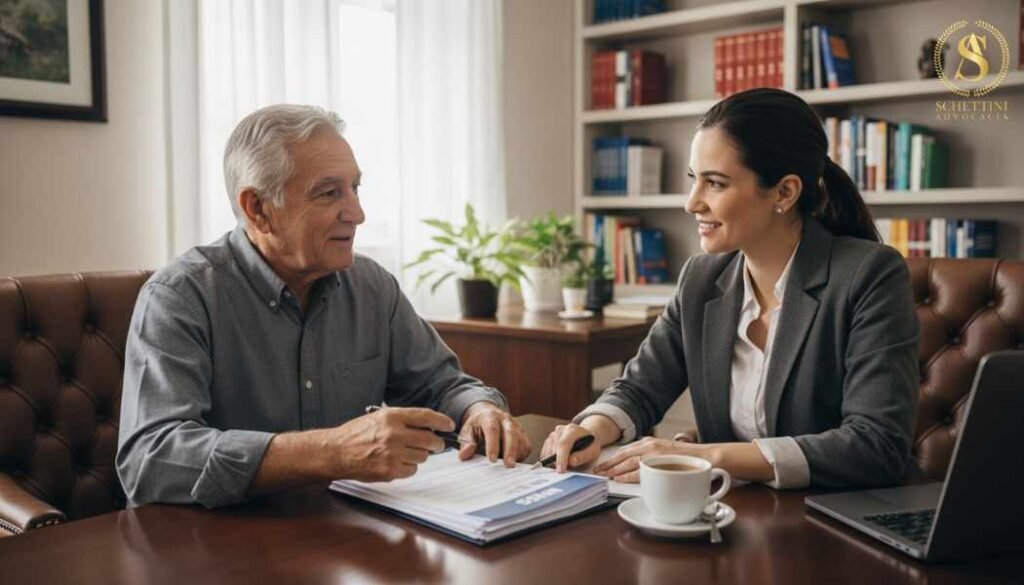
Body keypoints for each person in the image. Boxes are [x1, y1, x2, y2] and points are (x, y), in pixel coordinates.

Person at [117, 104, 530, 508]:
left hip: (343, 532)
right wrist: (332, 451)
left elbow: (443, 385)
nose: (357, 213)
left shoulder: (372, 286)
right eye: (330, 193)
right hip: (220, 541)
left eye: (355, 188)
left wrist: (478, 409)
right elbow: (151, 458)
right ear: (258, 209)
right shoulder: (179, 297)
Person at [541, 88, 919, 489]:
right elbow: (640, 388)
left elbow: (875, 445)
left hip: (828, 514)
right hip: (729, 509)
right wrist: (593, 429)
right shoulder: (701, 278)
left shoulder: (870, 275)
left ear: (784, 192)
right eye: (694, 179)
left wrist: (706, 456)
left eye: (715, 184)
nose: (692, 203)